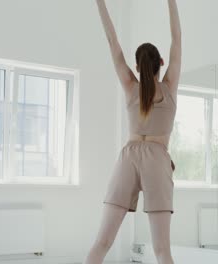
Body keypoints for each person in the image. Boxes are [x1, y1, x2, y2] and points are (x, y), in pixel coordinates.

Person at [85, 0, 181, 263]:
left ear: (137, 67)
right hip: (157, 158)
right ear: (161, 62)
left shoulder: (129, 85)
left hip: (127, 158)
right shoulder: (169, 86)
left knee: (102, 242)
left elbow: (112, 42)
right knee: (162, 250)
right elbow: (177, 39)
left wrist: (100, 3)